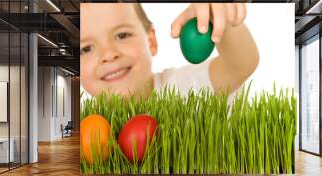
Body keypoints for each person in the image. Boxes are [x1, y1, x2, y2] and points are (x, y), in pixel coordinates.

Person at [80, 3, 259, 102]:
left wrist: (219, 17)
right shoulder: (90, 125)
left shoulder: (184, 86)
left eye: (122, 35)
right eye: (86, 48)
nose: (109, 54)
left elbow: (240, 65)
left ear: (151, 41)